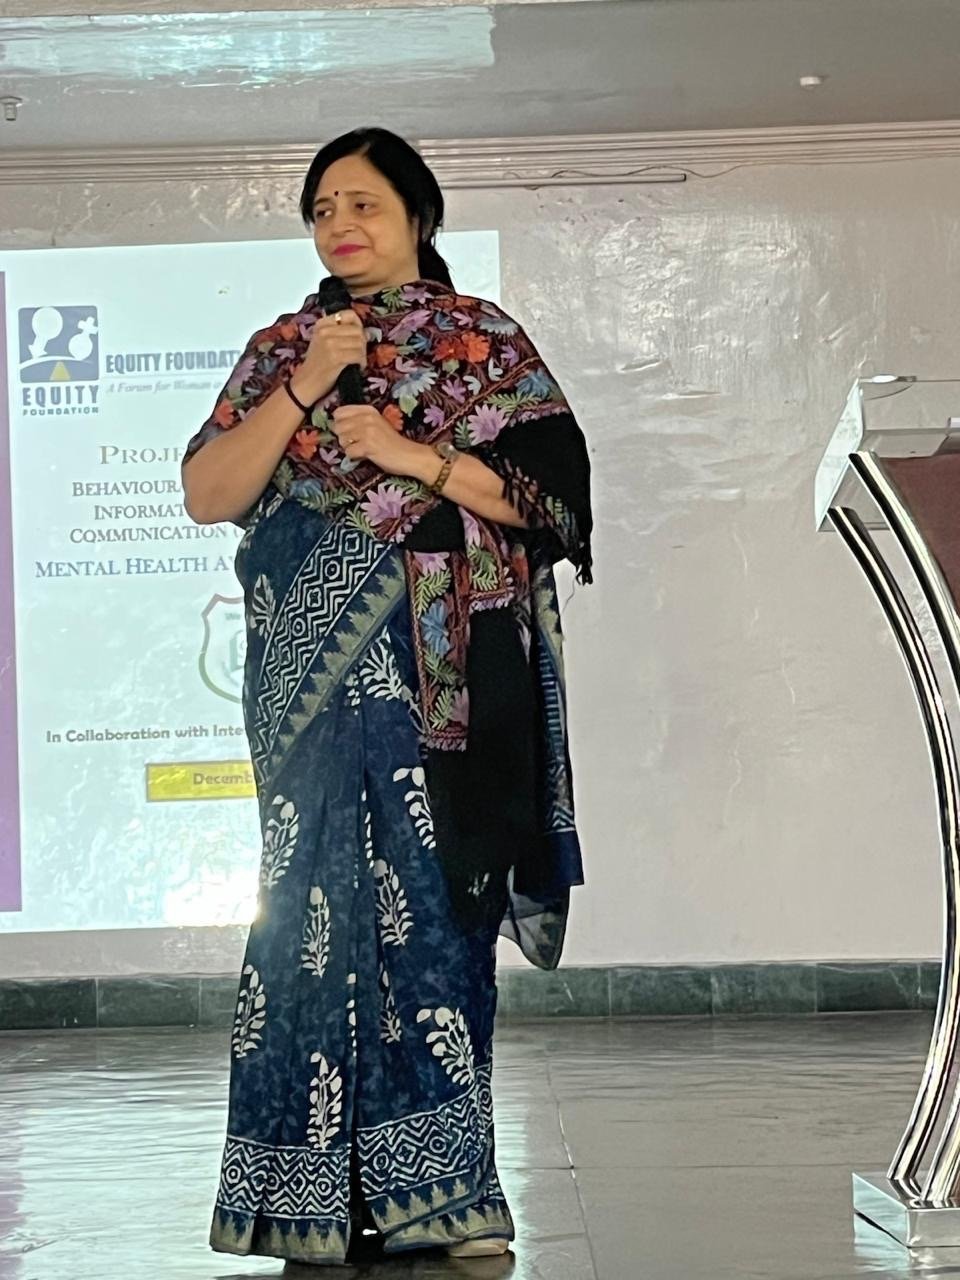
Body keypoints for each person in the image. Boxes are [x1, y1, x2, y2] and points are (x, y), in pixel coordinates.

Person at [182, 126, 593, 1267]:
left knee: (437, 916)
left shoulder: (483, 344)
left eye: (361, 203)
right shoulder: (283, 348)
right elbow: (210, 491)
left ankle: (449, 1192)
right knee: (302, 923)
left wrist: (414, 457)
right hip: (306, 688)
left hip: (443, 685)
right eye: (321, 209)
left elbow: (554, 504)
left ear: (418, 214)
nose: (340, 226)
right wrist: (306, 386)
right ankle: (299, 1193)